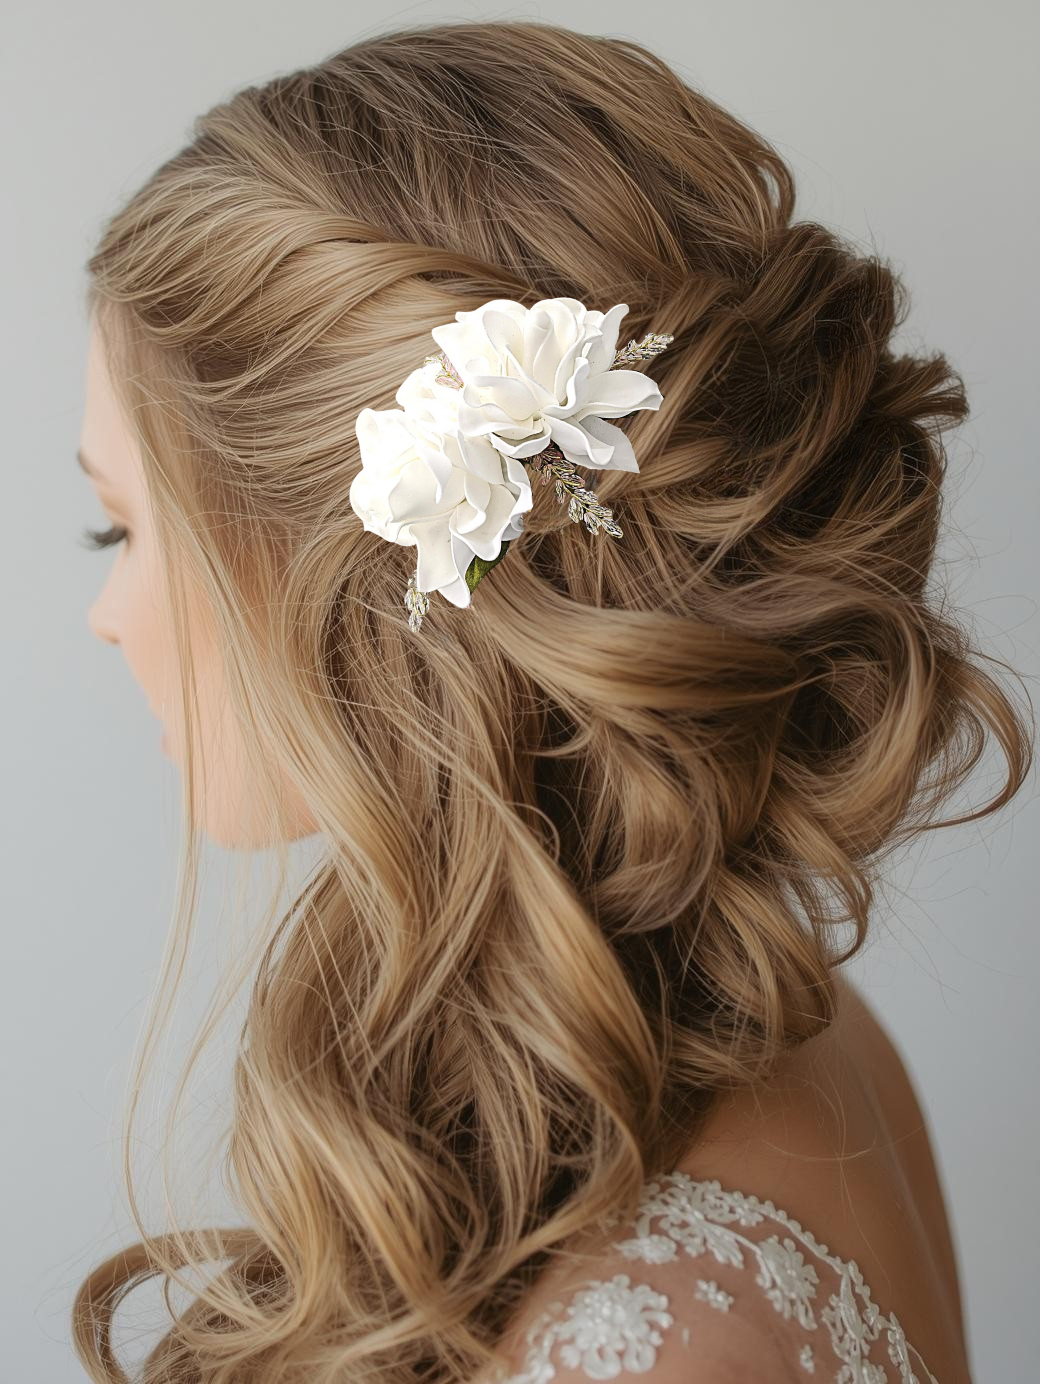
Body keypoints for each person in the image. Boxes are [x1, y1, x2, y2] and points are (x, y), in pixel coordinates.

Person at [71, 19, 1033, 1384]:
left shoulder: (645, 1348)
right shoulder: (786, 1020)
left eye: (119, 531)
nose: (105, 617)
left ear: (332, 567)